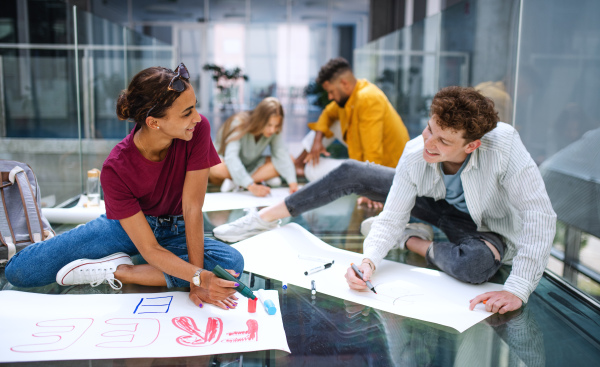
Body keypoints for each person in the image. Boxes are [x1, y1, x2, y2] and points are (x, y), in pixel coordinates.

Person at [215, 86, 557, 314]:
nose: (429, 144)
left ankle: (414, 239)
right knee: (353, 172)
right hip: (432, 205)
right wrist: (369, 264)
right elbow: (391, 215)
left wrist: (519, 288)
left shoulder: (505, 146)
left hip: (482, 230)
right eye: (429, 129)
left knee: (475, 267)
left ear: (472, 145)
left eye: (443, 141)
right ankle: (264, 216)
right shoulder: (418, 151)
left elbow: (539, 214)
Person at [5, 64, 244, 310]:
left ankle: (119, 271)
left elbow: (192, 208)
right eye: (187, 112)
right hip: (127, 227)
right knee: (22, 272)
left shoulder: (197, 130)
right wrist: (198, 275)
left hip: (177, 228)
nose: (196, 117)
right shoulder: (116, 168)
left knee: (230, 263)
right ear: (153, 123)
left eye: (195, 107)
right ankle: (150, 266)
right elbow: (150, 248)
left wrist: (196, 281)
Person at [295, 57, 410, 191]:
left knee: (311, 170)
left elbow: (372, 152)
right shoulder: (350, 96)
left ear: (344, 83)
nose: (330, 97)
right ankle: (299, 161)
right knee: (332, 122)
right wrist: (317, 139)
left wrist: (371, 189)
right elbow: (327, 113)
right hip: (366, 162)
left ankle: (300, 164)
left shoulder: (367, 98)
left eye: (331, 91)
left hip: (387, 173)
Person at [208, 97, 298, 197]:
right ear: (260, 120)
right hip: (226, 165)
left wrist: (293, 184)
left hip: (250, 166)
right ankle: (249, 181)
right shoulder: (239, 122)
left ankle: (237, 183)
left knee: (289, 159)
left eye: (276, 125)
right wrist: (251, 186)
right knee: (215, 166)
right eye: (269, 125)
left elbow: (282, 154)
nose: (272, 130)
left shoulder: (274, 130)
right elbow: (231, 158)